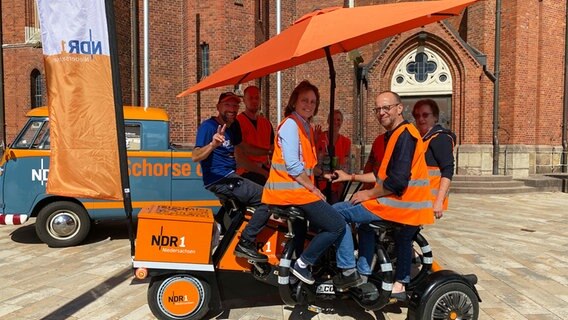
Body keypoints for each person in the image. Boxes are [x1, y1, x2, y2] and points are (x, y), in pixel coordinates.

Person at [328, 90, 434, 300]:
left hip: (400, 204)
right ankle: (364, 274)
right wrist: (350, 177)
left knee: (335, 213)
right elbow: (381, 174)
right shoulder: (395, 135)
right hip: (397, 202)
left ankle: (348, 271)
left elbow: (396, 182)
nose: (381, 113)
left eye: (386, 108)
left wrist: (368, 194)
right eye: (377, 109)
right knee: (364, 226)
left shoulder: (405, 136)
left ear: (399, 108)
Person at [261, 80, 350, 287]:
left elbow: (305, 165)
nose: (309, 105)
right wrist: (314, 188)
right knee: (336, 224)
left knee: (304, 232)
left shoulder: (304, 126)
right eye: (304, 100)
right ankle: (302, 264)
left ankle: (297, 271)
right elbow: (292, 166)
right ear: (294, 101)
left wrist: (321, 173)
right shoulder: (291, 124)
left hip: (297, 190)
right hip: (292, 192)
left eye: (313, 101)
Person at [193, 92, 271, 262]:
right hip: (220, 179)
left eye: (235, 106)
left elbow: (245, 150)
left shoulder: (233, 126)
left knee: (263, 190)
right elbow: (195, 156)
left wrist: (270, 151)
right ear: (218, 107)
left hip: (232, 176)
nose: (232, 109)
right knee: (268, 198)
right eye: (227, 105)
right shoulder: (208, 127)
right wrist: (213, 145)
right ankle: (246, 242)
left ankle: (221, 231)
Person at [412, 99, 456, 219]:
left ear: (435, 117)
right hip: (418, 199)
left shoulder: (440, 139)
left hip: (429, 201)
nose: (421, 119)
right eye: (417, 116)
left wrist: (439, 201)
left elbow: (448, 170)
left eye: (425, 115)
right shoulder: (422, 139)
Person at [236, 85, 275, 186]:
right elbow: (240, 158)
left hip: (265, 170)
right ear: (244, 100)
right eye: (250, 98)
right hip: (246, 172)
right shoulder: (237, 123)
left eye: (257, 98)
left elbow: (273, 150)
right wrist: (264, 173)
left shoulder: (266, 123)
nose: (254, 101)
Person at [315, 109, 351, 203]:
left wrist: (341, 187)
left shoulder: (346, 142)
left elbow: (346, 167)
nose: (336, 122)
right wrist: (314, 140)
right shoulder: (320, 137)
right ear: (328, 121)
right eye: (333, 119)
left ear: (342, 122)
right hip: (319, 183)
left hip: (336, 185)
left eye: (338, 120)